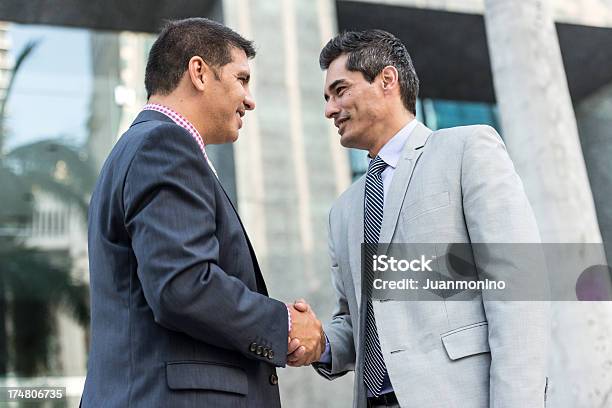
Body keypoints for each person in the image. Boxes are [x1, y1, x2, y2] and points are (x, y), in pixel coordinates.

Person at [289, 29, 550, 408]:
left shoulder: (466, 150)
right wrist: (320, 343)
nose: (330, 109)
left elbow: (517, 289)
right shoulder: (342, 211)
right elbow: (357, 321)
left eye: (340, 90)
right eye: (327, 98)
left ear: (387, 80)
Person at [82, 18, 321, 408]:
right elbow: (183, 284)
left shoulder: (141, 147)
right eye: (242, 78)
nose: (249, 99)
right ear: (199, 72)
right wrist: (286, 325)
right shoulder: (165, 145)